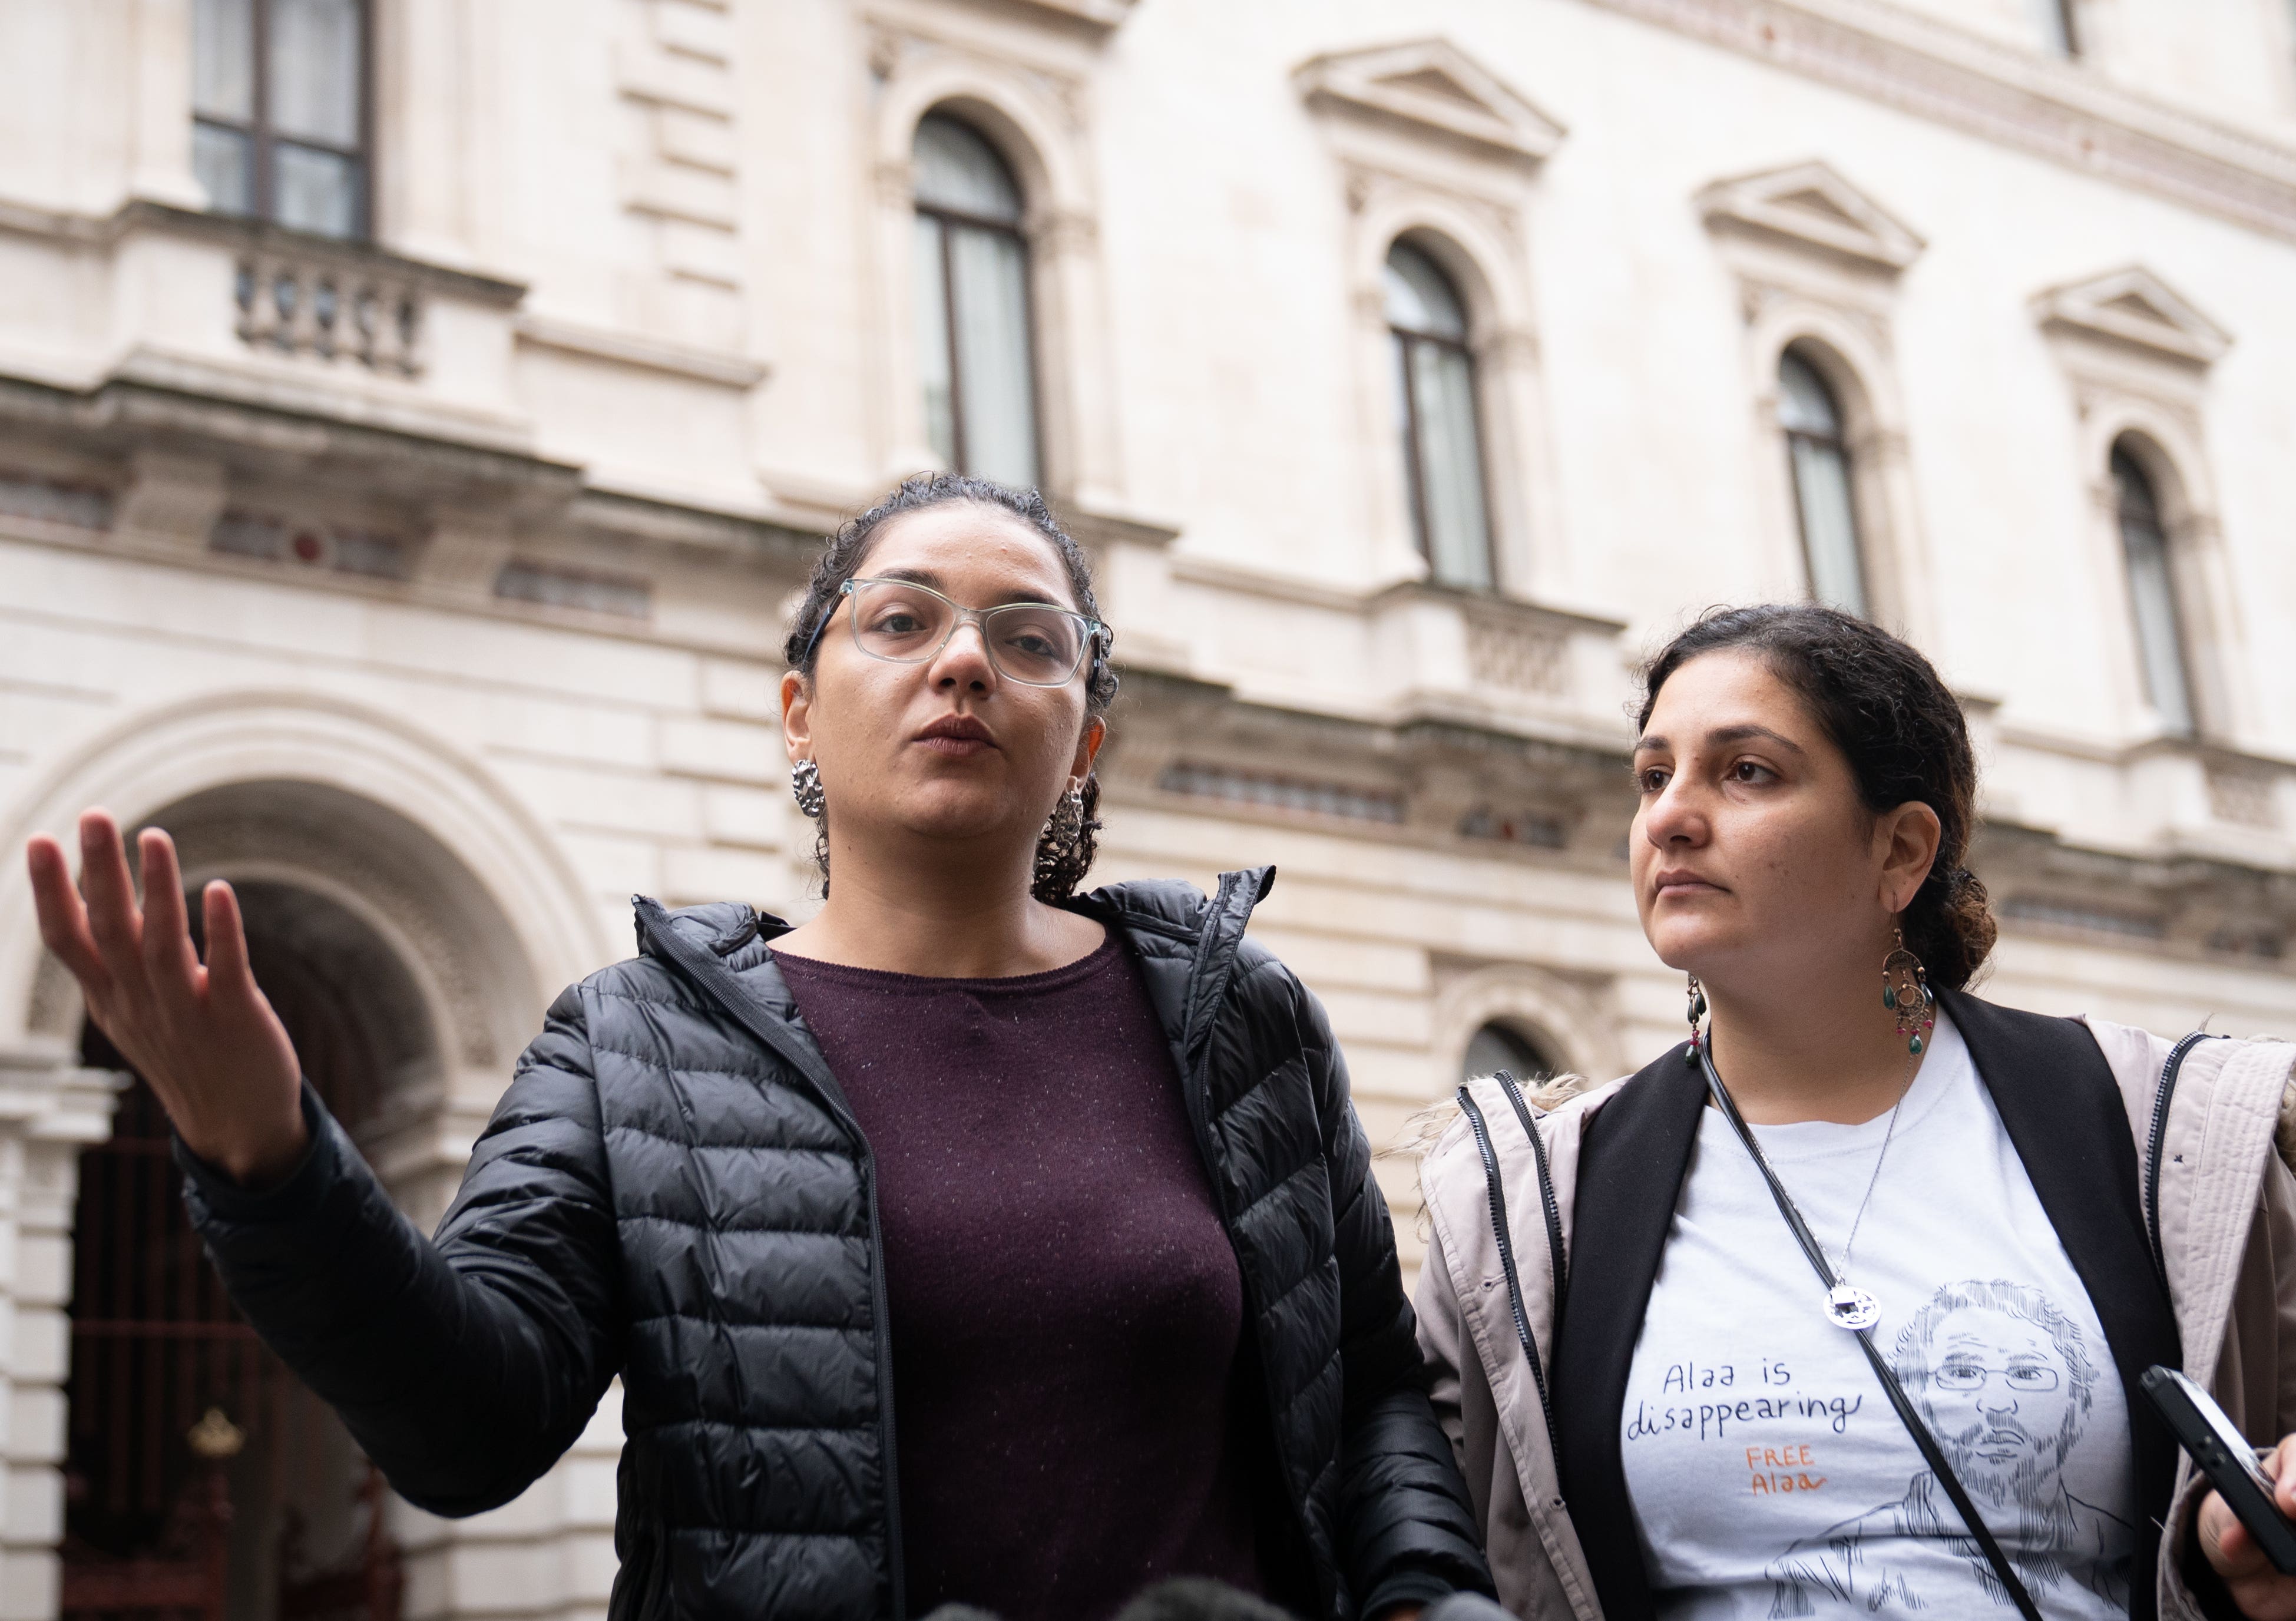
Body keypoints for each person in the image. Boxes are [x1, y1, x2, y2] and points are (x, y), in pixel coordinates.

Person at [25, 474, 1494, 1621]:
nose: (965, 661)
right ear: (801, 710)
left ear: (1084, 735)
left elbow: (1365, 1387)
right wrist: (266, 1155)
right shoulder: (635, 1040)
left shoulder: (1240, 1015)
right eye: (901, 619)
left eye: (1028, 637)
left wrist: (1428, 1589)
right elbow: (465, 1431)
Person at [1407, 604, 2296, 1621]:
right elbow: (1422, 1553)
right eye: (1652, 774)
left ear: (1900, 850)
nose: (1670, 814)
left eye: (1746, 771)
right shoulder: (1539, 1206)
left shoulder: (2161, 1135)